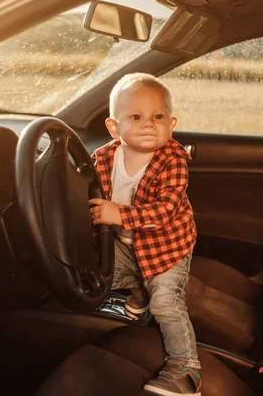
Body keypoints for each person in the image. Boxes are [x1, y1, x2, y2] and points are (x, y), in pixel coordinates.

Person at [89, 73, 200, 396]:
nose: (148, 124)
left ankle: (186, 368)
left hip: (167, 247)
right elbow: (77, 184)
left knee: (165, 301)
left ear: (172, 123)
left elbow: (165, 211)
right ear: (114, 127)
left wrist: (117, 213)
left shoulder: (173, 160)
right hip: (126, 241)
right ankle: (139, 297)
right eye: (136, 117)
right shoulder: (104, 157)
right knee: (104, 271)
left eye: (158, 117)